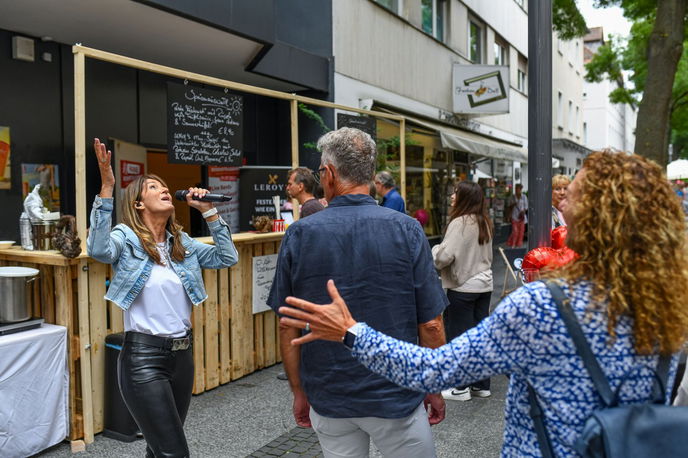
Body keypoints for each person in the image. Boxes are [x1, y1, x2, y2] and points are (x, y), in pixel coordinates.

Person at [279, 150, 688, 457]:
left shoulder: (543, 308)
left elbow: (436, 368)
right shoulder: (667, 306)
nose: (562, 206)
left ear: (600, 216)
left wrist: (351, 332)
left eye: (573, 197)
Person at [268, 127, 448, 458]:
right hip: (398, 392)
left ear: (331, 174)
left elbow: (287, 324)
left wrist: (298, 390)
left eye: (321, 171)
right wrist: (433, 387)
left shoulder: (300, 234)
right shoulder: (406, 229)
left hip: (330, 393)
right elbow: (431, 323)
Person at [87, 138, 239, 457]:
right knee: (174, 453)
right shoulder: (125, 238)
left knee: (159, 449)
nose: (164, 189)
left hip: (182, 356)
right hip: (143, 358)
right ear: (139, 203)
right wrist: (106, 188)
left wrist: (209, 211)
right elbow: (99, 250)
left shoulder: (180, 244)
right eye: (154, 186)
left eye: (165, 186)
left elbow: (227, 258)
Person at [431, 181, 493, 402]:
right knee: (479, 336)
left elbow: (444, 256)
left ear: (464, 196)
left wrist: (435, 249)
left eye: (455, 193)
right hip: (485, 284)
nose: (451, 197)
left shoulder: (460, 222)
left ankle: (460, 387)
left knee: (460, 337)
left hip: (464, 285)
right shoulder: (483, 220)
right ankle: (481, 385)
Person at [277, 167, 325, 381]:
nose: (287, 187)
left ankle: (301, 368)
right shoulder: (312, 207)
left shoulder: (310, 208)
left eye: (290, 183)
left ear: (301, 186)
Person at [506, 183, 527, 247]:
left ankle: (519, 244)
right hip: (514, 216)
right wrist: (513, 204)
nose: (516, 190)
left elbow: (526, 207)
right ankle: (512, 244)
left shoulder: (524, 197)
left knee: (521, 232)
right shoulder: (512, 197)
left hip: (521, 217)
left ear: (520, 189)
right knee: (515, 232)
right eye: (516, 189)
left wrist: (523, 212)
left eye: (518, 189)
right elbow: (509, 207)